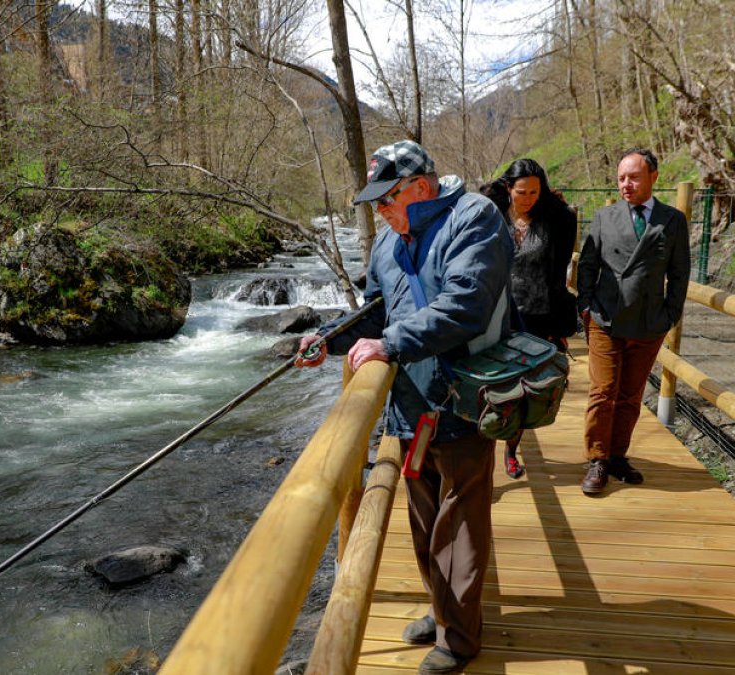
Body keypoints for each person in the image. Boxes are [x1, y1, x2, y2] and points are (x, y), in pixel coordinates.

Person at [295, 139, 513, 674]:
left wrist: (390, 345)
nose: (380, 211)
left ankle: (460, 639)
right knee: (424, 521)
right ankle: (443, 614)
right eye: (375, 203)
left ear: (420, 187)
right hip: (411, 408)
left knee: (459, 525)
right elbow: (375, 313)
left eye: (387, 199)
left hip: (465, 402)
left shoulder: (474, 218)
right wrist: (330, 337)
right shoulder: (388, 245)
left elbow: (465, 305)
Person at [575, 148, 690, 496]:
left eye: (634, 177)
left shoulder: (672, 220)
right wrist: (585, 307)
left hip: (648, 322)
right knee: (603, 391)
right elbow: (588, 266)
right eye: (622, 177)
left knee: (629, 395)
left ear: (654, 177)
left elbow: (680, 272)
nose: (626, 184)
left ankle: (617, 456)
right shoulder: (604, 217)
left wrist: (670, 314)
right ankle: (597, 459)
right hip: (606, 319)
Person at [479, 159, 578, 480]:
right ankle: (480, 459)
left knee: (522, 394)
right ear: (508, 188)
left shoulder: (556, 218)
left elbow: (558, 276)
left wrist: (556, 329)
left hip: (536, 320)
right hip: (493, 316)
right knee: (485, 389)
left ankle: (509, 450)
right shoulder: (488, 215)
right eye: (522, 191)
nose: (529, 198)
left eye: (536, 191)